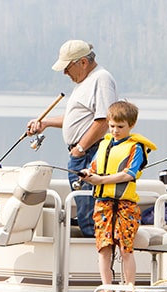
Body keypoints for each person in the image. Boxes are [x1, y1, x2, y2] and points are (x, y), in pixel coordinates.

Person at [27, 39, 118, 236]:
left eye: (67, 68)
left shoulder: (101, 79)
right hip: (81, 155)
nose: (65, 73)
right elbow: (77, 119)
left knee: (90, 215)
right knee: (85, 211)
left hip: (88, 154)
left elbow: (104, 120)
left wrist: (80, 149)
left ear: (83, 62)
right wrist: (46, 123)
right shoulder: (84, 81)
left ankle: (97, 262)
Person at [79, 101, 156, 292]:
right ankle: (106, 290)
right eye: (112, 126)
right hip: (103, 203)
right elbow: (94, 166)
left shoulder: (136, 148)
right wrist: (88, 173)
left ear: (131, 125)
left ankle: (129, 291)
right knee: (104, 248)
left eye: (120, 127)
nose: (115, 130)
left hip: (125, 205)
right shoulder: (104, 144)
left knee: (125, 248)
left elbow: (129, 174)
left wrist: (101, 180)